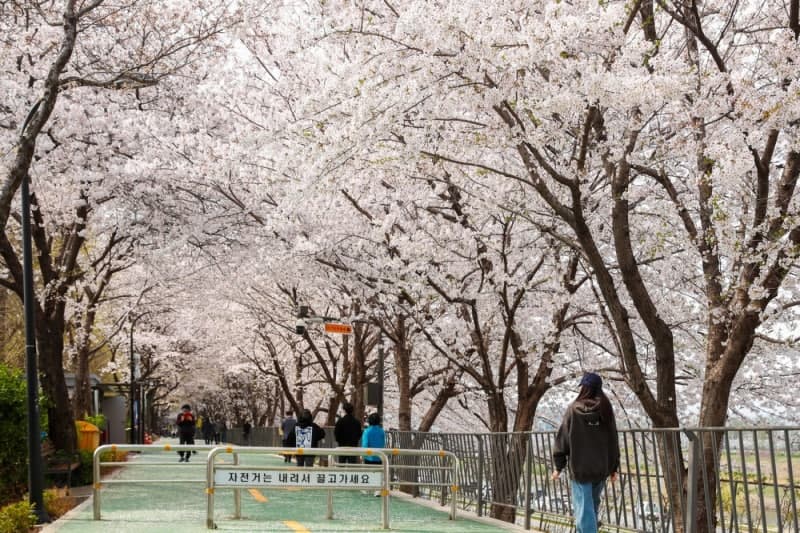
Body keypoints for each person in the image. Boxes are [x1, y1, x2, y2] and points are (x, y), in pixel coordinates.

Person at [551, 372, 620, 533]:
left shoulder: (574, 410)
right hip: (601, 468)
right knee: (590, 509)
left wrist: (558, 466)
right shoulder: (606, 410)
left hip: (580, 469)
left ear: (584, 388)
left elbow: (562, 439)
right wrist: (613, 467)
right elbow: (613, 440)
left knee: (584, 511)